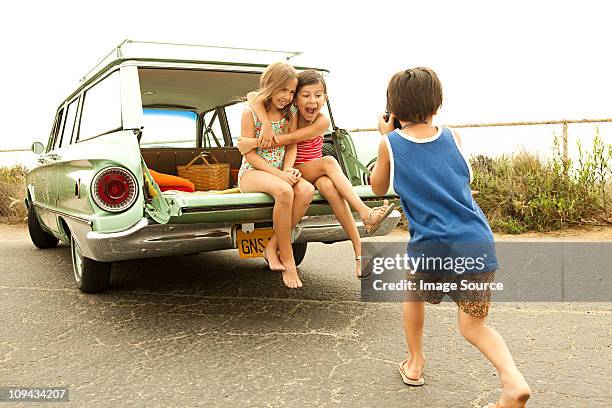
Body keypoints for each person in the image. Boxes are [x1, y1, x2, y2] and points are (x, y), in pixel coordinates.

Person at [369, 67, 531, 408]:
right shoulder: (452, 137)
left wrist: (386, 134)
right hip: (476, 240)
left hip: (431, 245)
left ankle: (414, 364)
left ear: (393, 108)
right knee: (474, 326)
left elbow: (378, 187)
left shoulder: (390, 143)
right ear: (436, 104)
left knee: (412, 293)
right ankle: (512, 380)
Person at [238, 69, 395, 278]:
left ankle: (359, 252)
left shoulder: (321, 121)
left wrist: (253, 142)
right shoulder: (289, 110)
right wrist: (264, 127)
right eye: (305, 95)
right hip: (297, 169)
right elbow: (254, 97)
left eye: (318, 96)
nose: (312, 101)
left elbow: (288, 140)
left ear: (325, 98)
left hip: (302, 169)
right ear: (296, 98)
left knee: (330, 186)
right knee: (329, 161)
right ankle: (364, 212)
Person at [237, 62, 315, 289]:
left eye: (291, 92)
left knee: (307, 190)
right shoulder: (249, 113)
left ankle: (271, 246)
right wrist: (279, 175)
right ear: (271, 86)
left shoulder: (290, 113)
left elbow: (291, 145)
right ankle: (288, 259)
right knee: (284, 190)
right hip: (253, 172)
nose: (287, 97)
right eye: (283, 90)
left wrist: (288, 169)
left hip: (280, 172)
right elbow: (250, 155)